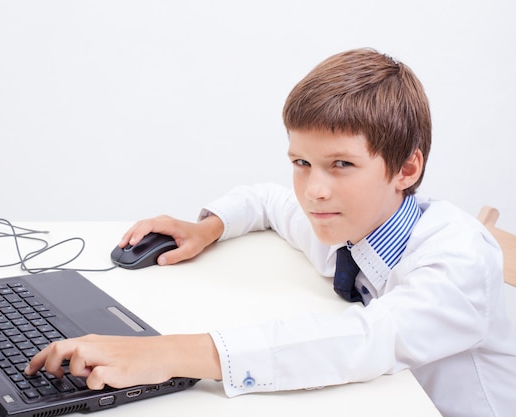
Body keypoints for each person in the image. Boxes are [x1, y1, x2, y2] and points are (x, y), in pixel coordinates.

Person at [25, 48, 516, 417]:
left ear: (407, 169)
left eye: (341, 164)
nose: (314, 191)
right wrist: (205, 228)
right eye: (302, 163)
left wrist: (168, 352)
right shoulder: (347, 222)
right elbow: (267, 200)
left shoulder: (459, 259)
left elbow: (368, 339)